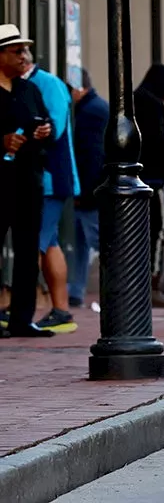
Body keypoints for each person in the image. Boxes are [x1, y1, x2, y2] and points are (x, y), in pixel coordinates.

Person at [0, 25, 54, 338]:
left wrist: (42, 132)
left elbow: (44, 123)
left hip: (27, 181)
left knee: (27, 250)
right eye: (17, 51)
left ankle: (22, 318)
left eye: (26, 50)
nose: (25, 56)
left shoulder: (29, 89)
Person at [20, 47, 79, 333]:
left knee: (37, 243)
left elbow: (54, 129)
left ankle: (31, 308)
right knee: (49, 241)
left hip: (51, 178)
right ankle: (60, 308)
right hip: (37, 178)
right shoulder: (23, 84)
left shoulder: (49, 83)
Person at [134, 63, 164, 308]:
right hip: (153, 181)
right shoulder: (155, 107)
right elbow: (160, 145)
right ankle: (153, 285)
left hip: (131, 180)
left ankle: (135, 286)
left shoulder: (132, 101)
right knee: (157, 233)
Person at [68, 70, 108, 309]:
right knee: (82, 242)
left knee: (97, 241)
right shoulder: (93, 108)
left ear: (78, 89)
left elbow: (91, 157)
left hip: (90, 191)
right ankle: (75, 290)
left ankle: (116, 289)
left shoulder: (90, 112)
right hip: (90, 189)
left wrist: (84, 194)